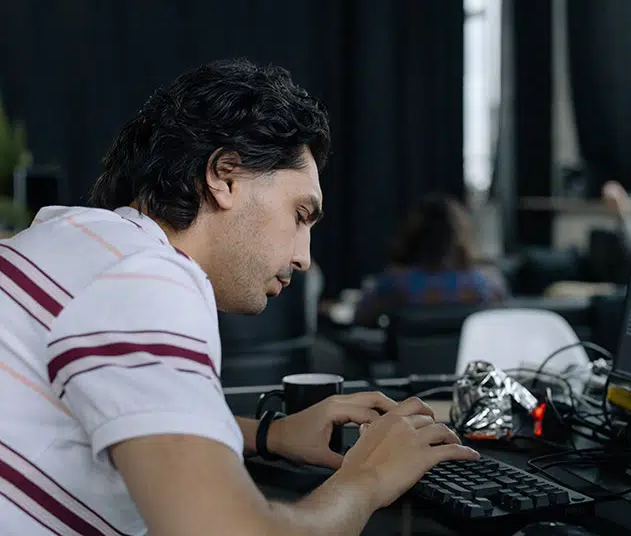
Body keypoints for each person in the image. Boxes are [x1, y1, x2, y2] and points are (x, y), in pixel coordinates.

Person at [0, 59, 478, 535]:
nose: (304, 257)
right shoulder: (148, 280)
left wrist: (269, 435)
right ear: (224, 176)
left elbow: (108, 412)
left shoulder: (70, 238)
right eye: (300, 214)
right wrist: (371, 477)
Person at [353, 193, 508, 327]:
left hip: (410, 361)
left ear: (413, 236)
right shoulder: (487, 283)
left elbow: (361, 318)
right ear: (460, 238)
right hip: (470, 361)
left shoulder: (395, 283)